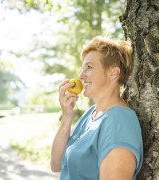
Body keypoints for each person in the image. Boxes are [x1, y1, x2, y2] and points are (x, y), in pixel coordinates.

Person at [50, 36, 143, 180]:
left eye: (89, 67)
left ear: (113, 73)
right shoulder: (91, 114)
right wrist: (67, 117)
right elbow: (56, 165)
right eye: (83, 68)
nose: (81, 76)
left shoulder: (118, 123)